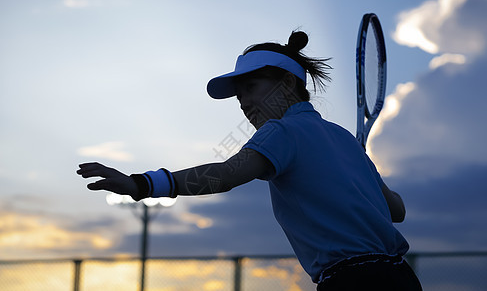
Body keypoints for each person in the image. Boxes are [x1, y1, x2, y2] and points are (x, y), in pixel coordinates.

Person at [77, 31, 422, 290]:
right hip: (402, 278)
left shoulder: (280, 132)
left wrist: (143, 184)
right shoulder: (344, 139)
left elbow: (226, 175)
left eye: (251, 87)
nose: (243, 101)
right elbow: (396, 210)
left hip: (354, 282)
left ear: (288, 83)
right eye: (238, 93)